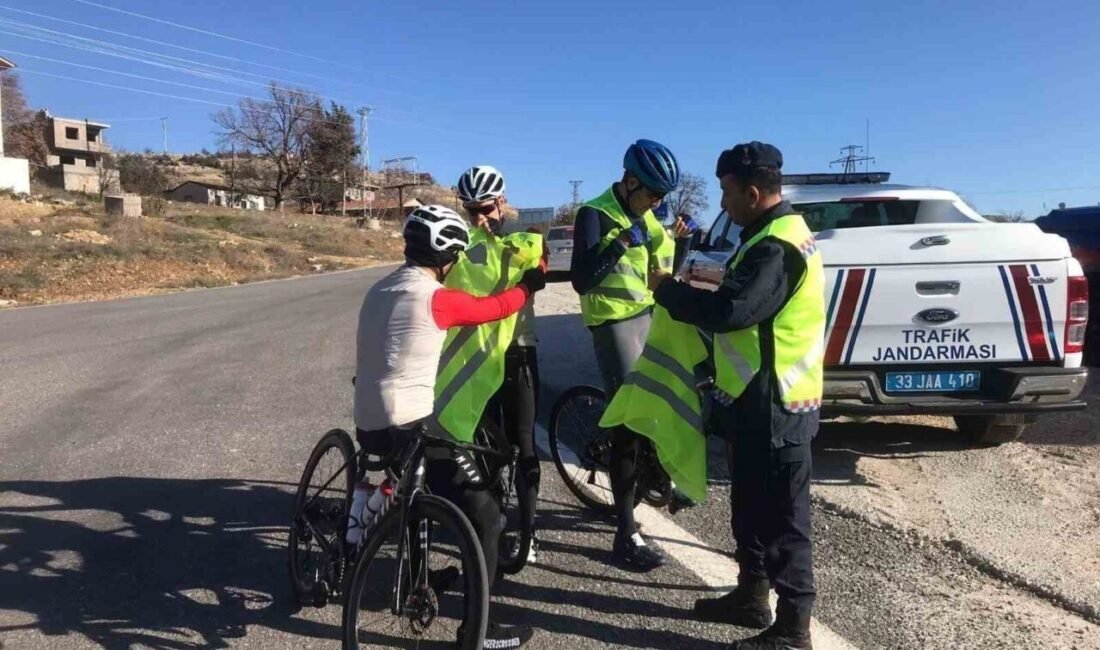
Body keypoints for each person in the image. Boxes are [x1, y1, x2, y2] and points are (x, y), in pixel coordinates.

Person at [647, 142, 824, 649]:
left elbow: (732, 312)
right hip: (752, 399)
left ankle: (793, 630)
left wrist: (668, 290)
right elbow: (741, 295)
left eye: (725, 193)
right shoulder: (766, 235)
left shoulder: (777, 245)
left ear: (751, 192)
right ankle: (751, 596)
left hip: (777, 403)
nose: (721, 204)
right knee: (749, 506)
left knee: (785, 520)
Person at [354, 204, 546, 648]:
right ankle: (478, 631)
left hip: (369, 423)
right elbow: (498, 307)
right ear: (448, 256)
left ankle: (415, 578)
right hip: (414, 424)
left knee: (411, 495)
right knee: (487, 516)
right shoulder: (436, 298)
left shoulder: (379, 289)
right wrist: (529, 283)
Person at [569, 139, 679, 570]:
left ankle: (660, 474)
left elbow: (659, 270)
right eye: (652, 193)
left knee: (669, 392)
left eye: (661, 196)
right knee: (630, 424)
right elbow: (580, 279)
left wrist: (677, 239)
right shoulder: (593, 213)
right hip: (612, 321)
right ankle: (625, 533)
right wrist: (619, 242)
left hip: (646, 315)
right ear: (630, 180)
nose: (656, 201)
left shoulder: (649, 215)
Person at [450, 165, 543, 564]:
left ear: (502, 202)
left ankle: (529, 530)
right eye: (471, 211)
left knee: (523, 441)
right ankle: (493, 522)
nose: (479, 218)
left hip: (519, 348)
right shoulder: (462, 242)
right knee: (482, 442)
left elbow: (538, 266)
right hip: (478, 355)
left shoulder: (526, 238)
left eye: (486, 208)